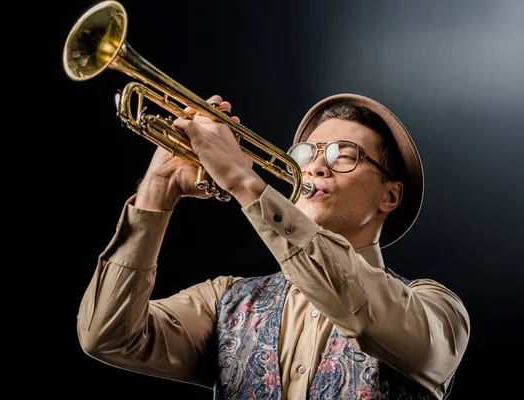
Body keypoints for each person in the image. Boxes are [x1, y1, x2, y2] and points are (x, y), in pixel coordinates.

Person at [76, 93, 470, 399]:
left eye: (343, 155)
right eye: (307, 154)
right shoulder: (226, 300)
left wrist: (243, 180)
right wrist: (156, 190)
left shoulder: (437, 309)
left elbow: (365, 315)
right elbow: (106, 335)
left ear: (390, 196)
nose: (316, 166)